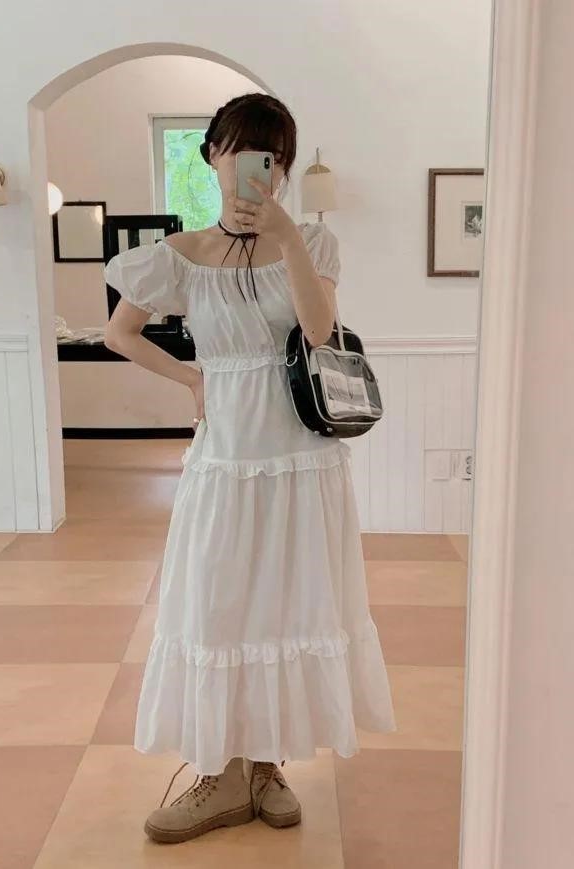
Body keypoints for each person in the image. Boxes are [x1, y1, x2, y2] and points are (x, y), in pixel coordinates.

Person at [104, 93, 396, 845]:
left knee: (287, 605)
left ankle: (265, 767)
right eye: (241, 149)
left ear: (284, 167)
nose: (259, 167)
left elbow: (320, 331)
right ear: (213, 155)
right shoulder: (179, 255)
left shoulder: (312, 242)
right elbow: (119, 332)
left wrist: (287, 236)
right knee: (219, 604)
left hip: (301, 461)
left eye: (274, 156)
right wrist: (190, 380)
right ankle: (219, 771)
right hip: (226, 461)